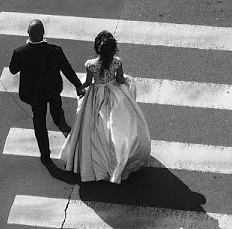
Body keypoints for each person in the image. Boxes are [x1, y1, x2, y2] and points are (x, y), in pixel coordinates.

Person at [60, 31, 151, 183]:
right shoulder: (117, 62)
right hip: (114, 92)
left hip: (96, 94)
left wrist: (79, 88)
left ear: (97, 49)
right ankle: (118, 156)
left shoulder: (90, 64)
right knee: (117, 126)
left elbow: (89, 82)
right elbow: (120, 79)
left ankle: (98, 160)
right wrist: (127, 82)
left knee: (94, 125)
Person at [8, 19, 84, 163]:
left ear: (28, 34)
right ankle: (58, 120)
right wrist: (78, 85)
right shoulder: (55, 50)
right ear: (43, 33)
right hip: (53, 90)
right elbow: (67, 69)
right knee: (56, 106)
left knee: (39, 121)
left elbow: (13, 70)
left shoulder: (20, 52)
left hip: (33, 95)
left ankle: (45, 154)